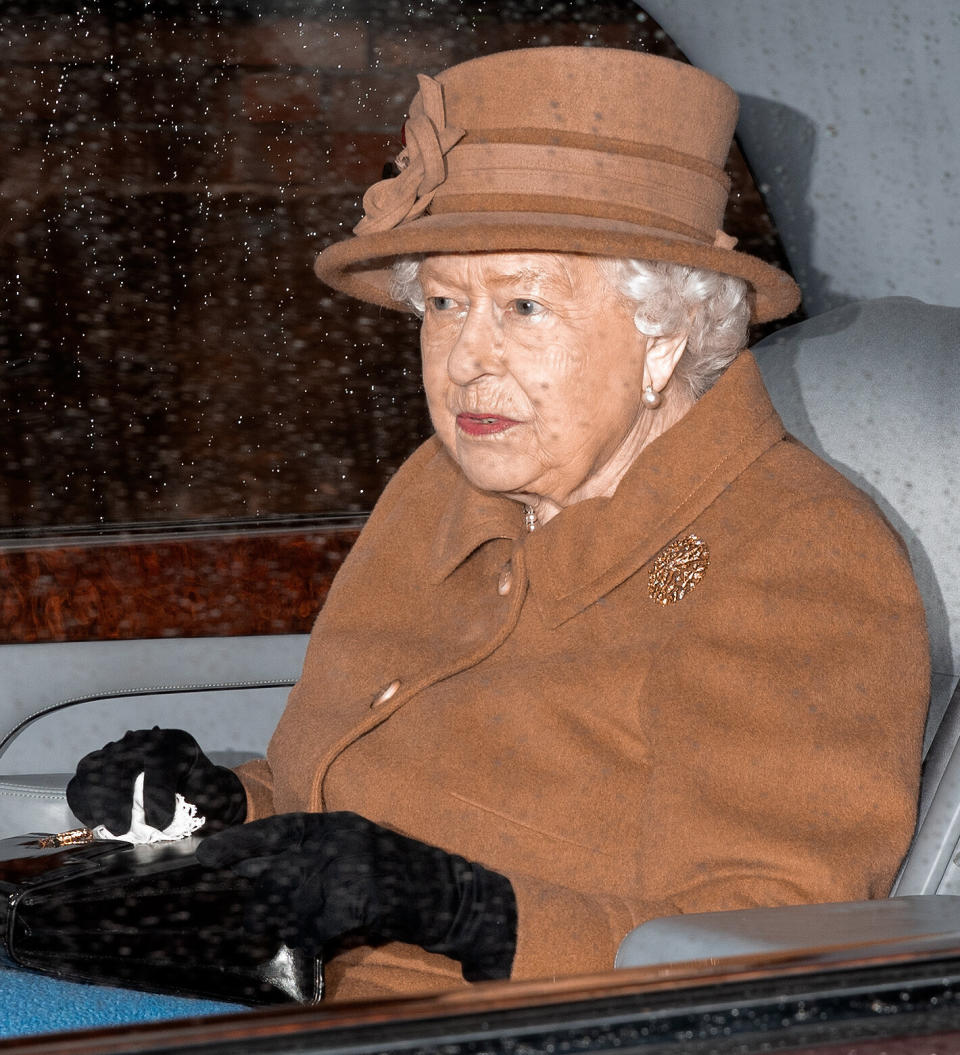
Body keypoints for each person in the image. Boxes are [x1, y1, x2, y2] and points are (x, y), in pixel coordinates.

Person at [67, 47, 930, 1002]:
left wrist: (462, 909)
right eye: (443, 303)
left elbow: (758, 952)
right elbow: (352, 804)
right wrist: (225, 803)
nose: (468, 358)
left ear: (666, 334)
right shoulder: (439, 489)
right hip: (269, 992)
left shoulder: (795, 552)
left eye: (524, 304)